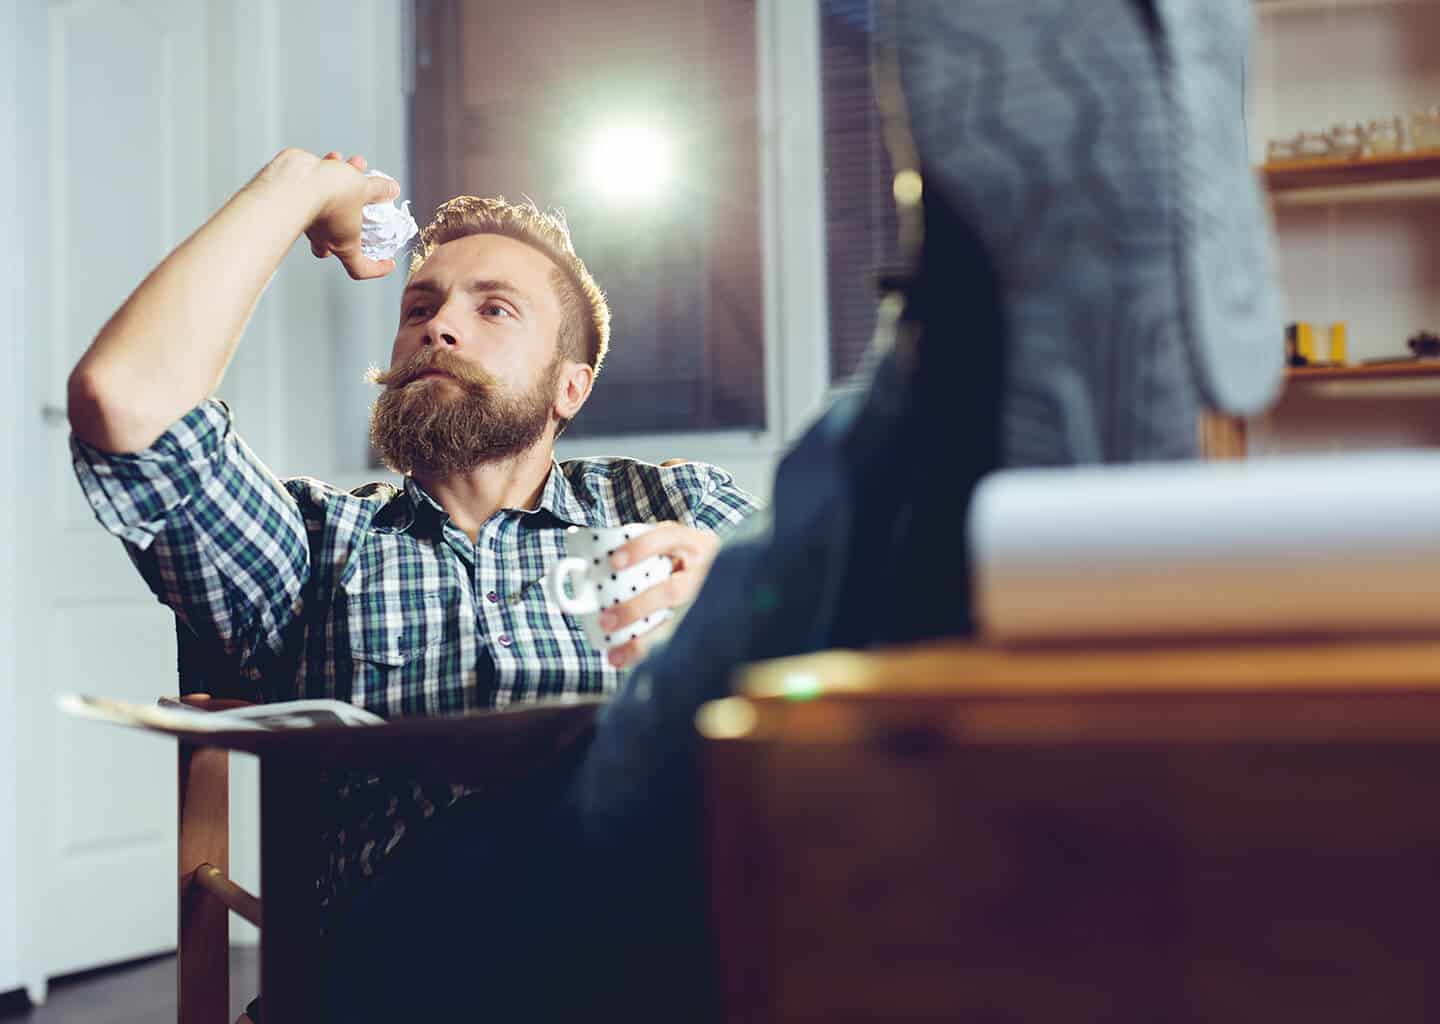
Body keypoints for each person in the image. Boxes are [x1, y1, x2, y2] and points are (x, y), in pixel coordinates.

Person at [66, 149, 758, 1020]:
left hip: (664, 916)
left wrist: (746, 596)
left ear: (569, 388)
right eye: (419, 308)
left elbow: (871, 639)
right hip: (414, 949)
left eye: (493, 308)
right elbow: (126, 400)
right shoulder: (316, 541)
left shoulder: (674, 506)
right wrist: (297, 188)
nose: (438, 329)